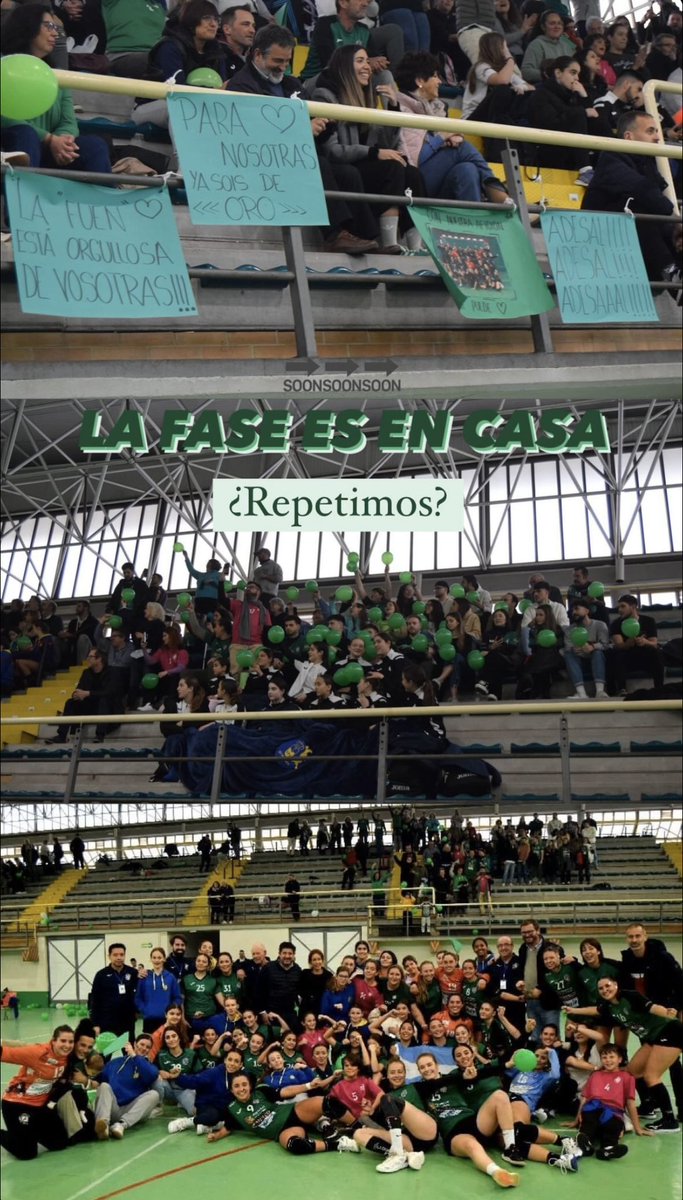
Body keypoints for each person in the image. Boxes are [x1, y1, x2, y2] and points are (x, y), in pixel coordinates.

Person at [312, 45, 426, 255]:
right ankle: (389, 243)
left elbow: (387, 144)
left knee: (411, 172)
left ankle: (416, 247)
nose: (367, 67)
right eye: (360, 61)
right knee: (391, 168)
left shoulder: (367, 98)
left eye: (367, 61)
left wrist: (392, 107)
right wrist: (373, 153)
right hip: (342, 168)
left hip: (360, 165)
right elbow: (332, 151)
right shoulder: (325, 96)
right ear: (345, 66)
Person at [1, 5, 110, 174]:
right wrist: (49, 139)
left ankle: (103, 200)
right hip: (10, 147)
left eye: (56, 27)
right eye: (48, 26)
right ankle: (23, 197)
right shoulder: (5, 66)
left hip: (50, 148)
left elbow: (68, 121)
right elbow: (5, 117)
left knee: (95, 146)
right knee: (26, 134)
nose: (55, 33)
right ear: (27, 26)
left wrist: (62, 141)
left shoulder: (57, 74)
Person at [565, 976, 683, 1132]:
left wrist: (668, 1012)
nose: (605, 990)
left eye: (608, 986)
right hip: (652, 1037)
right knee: (633, 1071)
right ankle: (649, 1107)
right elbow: (595, 1010)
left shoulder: (630, 996)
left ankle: (669, 1121)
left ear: (616, 985)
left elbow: (653, 1008)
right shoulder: (609, 1006)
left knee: (651, 1076)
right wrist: (574, 1010)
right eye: (601, 988)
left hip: (669, 1032)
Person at [395, 52, 512, 203]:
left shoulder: (437, 108)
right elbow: (415, 159)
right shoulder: (402, 109)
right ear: (420, 81)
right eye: (435, 76)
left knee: (467, 169)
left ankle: (474, 221)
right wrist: (443, 137)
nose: (439, 82)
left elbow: (440, 141)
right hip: (415, 184)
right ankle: (498, 193)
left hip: (436, 182)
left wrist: (449, 137)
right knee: (461, 149)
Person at [582, 111, 676, 281]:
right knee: (638, 209)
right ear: (629, 137)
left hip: (629, 243)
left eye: (657, 132)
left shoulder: (646, 163)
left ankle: (674, 274)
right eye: (650, 131)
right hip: (598, 242)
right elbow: (644, 191)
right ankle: (670, 271)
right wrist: (671, 217)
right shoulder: (611, 158)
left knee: (674, 230)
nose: (657, 137)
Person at [0, 1025, 74, 1159]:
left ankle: (27, 1132)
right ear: (53, 1041)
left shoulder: (68, 1057)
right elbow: (5, 1053)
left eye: (70, 1042)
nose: (67, 1045)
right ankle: (18, 1135)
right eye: (63, 1041)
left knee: (59, 1143)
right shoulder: (37, 1053)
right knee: (26, 1153)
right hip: (17, 1103)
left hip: (41, 1106)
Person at [576, 1042, 653, 1158]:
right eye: (604, 1057)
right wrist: (576, 1119)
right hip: (593, 1108)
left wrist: (638, 1128)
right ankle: (585, 1144)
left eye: (612, 1057)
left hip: (613, 1112)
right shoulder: (595, 1075)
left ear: (620, 1059)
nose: (608, 1060)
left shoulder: (627, 1077)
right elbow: (584, 1098)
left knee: (612, 1127)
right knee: (588, 1124)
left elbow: (630, 1103)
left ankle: (608, 1149)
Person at [301, 0, 405, 83]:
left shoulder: (363, 30)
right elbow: (330, 64)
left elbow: (374, 59)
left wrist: (378, 62)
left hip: (351, 80)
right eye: (360, 0)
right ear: (343, 3)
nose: (365, 4)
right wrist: (368, 62)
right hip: (318, 81)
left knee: (384, 75)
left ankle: (394, 107)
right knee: (339, 78)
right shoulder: (325, 25)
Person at [94, 1033, 160, 1140]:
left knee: (154, 1095)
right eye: (142, 1044)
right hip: (113, 1107)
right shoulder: (114, 1063)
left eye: (148, 1047)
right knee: (104, 1086)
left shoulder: (148, 1066)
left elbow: (152, 1075)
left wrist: (135, 1056)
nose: (144, 1048)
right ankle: (103, 1126)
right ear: (134, 1044)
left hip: (133, 1110)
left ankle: (120, 1125)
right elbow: (99, 1081)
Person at [45, 648, 118, 744]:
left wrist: (88, 693)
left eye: (90, 657)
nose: (88, 659)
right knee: (70, 702)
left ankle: (100, 735)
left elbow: (110, 692)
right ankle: (61, 736)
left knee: (104, 700)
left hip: (106, 707)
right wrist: (76, 694)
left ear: (99, 659)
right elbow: (79, 689)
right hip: (89, 706)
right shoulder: (86, 672)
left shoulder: (111, 672)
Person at [607, 591, 665, 694]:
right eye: (619, 607)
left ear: (633, 607)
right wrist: (627, 644)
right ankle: (621, 689)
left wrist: (645, 641)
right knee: (616, 654)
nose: (619, 610)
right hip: (628, 658)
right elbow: (619, 645)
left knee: (657, 652)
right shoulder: (616, 623)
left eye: (623, 606)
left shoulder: (649, 621)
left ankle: (659, 689)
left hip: (645, 657)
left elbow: (654, 643)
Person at [517, 920, 564, 1040]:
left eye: (530, 931)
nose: (527, 935)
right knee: (535, 1037)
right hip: (530, 1002)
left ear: (537, 930)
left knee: (551, 1038)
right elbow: (523, 969)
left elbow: (558, 973)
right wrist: (521, 982)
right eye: (524, 932)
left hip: (549, 1002)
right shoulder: (523, 949)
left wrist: (541, 989)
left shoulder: (551, 948)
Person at [89, 943, 138, 1041]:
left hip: (127, 1023)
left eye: (121, 954)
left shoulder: (133, 973)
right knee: (105, 1055)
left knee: (129, 1054)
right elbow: (94, 1001)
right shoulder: (101, 975)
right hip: (106, 1023)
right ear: (109, 956)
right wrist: (95, 1024)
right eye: (115, 955)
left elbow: (139, 994)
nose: (119, 957)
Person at [563, 597, 609, 698]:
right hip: (578, 660)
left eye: (576, 609)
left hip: (596, 659)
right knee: (568, 654)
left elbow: (605, 644)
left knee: (597, 652)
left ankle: (600, 691)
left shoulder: (600, 625)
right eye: (572, 610)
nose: (573, 612)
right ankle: (581, 693)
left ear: (587, 611)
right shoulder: (569, 629)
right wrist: (574, 649)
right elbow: (568, 647)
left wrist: (592, 647)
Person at [135, 947, 183, 1033]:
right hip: (149, 1019)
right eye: (154, 957)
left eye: (159, 957)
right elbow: (138, 998)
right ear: (151, 959)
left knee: (167, 1045)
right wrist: (145, 1010)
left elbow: (178, 998)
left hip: (167, 1020)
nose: (157, 960)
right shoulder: (144, 977)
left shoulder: (170, 977)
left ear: (164, 959)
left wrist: (170, 1011)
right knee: (150, 1045)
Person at [521, 8, 577, 81]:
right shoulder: (536, 44)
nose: (557, 26)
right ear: (543, 27)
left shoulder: (566, 43)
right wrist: (551, 75)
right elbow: (526, 72)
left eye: (559, 23)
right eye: (552, 23)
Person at [220, 5, 255, 80]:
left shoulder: (254, 59)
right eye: (246, 24)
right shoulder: (217, 58)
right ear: (227, 29)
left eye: (253, 26)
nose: (252, 30)